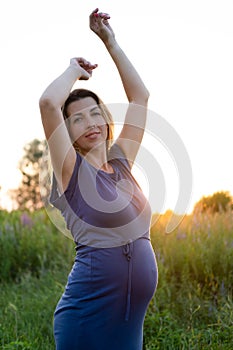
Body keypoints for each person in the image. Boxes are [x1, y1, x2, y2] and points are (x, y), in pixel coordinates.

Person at [39, 8, 158, 350]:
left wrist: (110, 41)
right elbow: (49, 103)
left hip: (129, 324)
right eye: (76, 119)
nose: (89, 121)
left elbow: (140, 97)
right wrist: (73, 70)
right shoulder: (71, 172)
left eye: (95, 113)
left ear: (106, 120)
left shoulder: (122, 165)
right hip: (87, 319)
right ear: (69, 134)